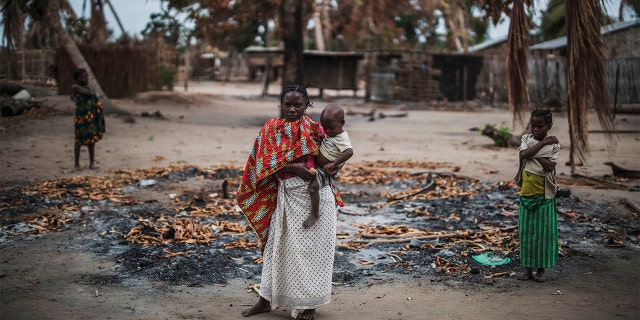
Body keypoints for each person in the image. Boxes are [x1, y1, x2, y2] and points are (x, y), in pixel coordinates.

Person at [236, 82, 344, 320]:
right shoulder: (271, 129)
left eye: (298, 104)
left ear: (307, 105)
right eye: (288, 105)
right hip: (288, 197)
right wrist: (294, 167)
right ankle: (265, 300)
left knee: (314, 253)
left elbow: (335, 154)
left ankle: (309, 305)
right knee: (277, 249)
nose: (293, 109)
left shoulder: (316, 129)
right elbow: (262, 165)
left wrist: (332, 168)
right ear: (280, 105)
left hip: (318, 197)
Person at [514, 109, 560, 283]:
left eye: (540, 126)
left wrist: (532, 153)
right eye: (533, 126)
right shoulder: (526, 139)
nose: (536, 129)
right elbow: (523, 155)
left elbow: (549, 167)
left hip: (544, 197)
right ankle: (528, 271)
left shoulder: (554, 145)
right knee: (526, 234)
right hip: (526, 194)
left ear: (548, 126)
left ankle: (540, 271)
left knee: (543, 235)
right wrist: (542, 146)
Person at [304, 103, 353, 228]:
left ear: (342, 123)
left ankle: (315, 214)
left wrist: (335, 163)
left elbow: (349, 152)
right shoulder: (331, 133)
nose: (328, 131)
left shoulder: (342, 138)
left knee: (313, 187)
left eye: (331, 128)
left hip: (324, 170)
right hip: (319, 166)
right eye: (325, 128)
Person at [71, 68, 105, 170]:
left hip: (90, 117)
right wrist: (77, 95)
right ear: (78, 78)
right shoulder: (75, 87)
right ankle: (76, 164)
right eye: (85, 77)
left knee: (91, 141)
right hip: (80, 118)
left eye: (87, 76)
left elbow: (91, 94)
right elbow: (73, 97)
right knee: (78, 141)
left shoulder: (88, 88)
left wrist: (80, 91)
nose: (87, 78)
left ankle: (91, 163)